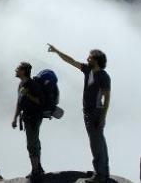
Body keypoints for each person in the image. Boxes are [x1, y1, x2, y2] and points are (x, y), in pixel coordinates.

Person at [47, 44, 111, 183]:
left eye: (90, 56)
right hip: (88, 112)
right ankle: (103, 172)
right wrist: (57, 51)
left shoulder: (104, 76)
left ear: (96, 59)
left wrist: (102, 117)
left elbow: (107, 98)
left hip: (95, 114)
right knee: (99, 142)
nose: (87, 58)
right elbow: (71, 61)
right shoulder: (88, 70)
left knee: (96, 144)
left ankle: (100, 175)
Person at [12, 61, 45, 180]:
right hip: (27, 117)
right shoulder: (21, 84)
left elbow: (39, 102)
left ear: (23, 71)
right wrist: (15, 118)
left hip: (34, 118)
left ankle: (36, 171)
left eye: (18, 69)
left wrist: (27, 95)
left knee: (31, 144)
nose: (15, 70)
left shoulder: (32, 85)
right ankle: (38, 168)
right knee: (34, 142)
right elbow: (19, 102)